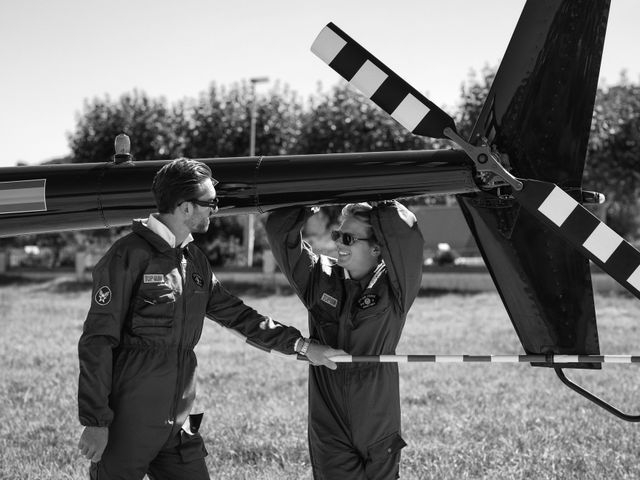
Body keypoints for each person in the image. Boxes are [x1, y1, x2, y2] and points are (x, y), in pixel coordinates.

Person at [77, 158, 344, 480]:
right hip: (128, 420)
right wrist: (96, 421)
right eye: (210, 203)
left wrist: (302, 346)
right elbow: (97, 341)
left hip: (178, 418)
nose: (215, 210)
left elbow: (239, 317)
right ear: (185, 208)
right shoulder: (127, 255)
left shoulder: (194, 261)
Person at [265, 200, 424, 480]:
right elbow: (280, 231)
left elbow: (406, 236)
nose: (338, 242)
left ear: (376, 248)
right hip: (329, 422)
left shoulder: (396, 286)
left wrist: (377, 195)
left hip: (376, 413)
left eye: (348, 238)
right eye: (337, 235)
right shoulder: (318, 277)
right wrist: (312, 201)